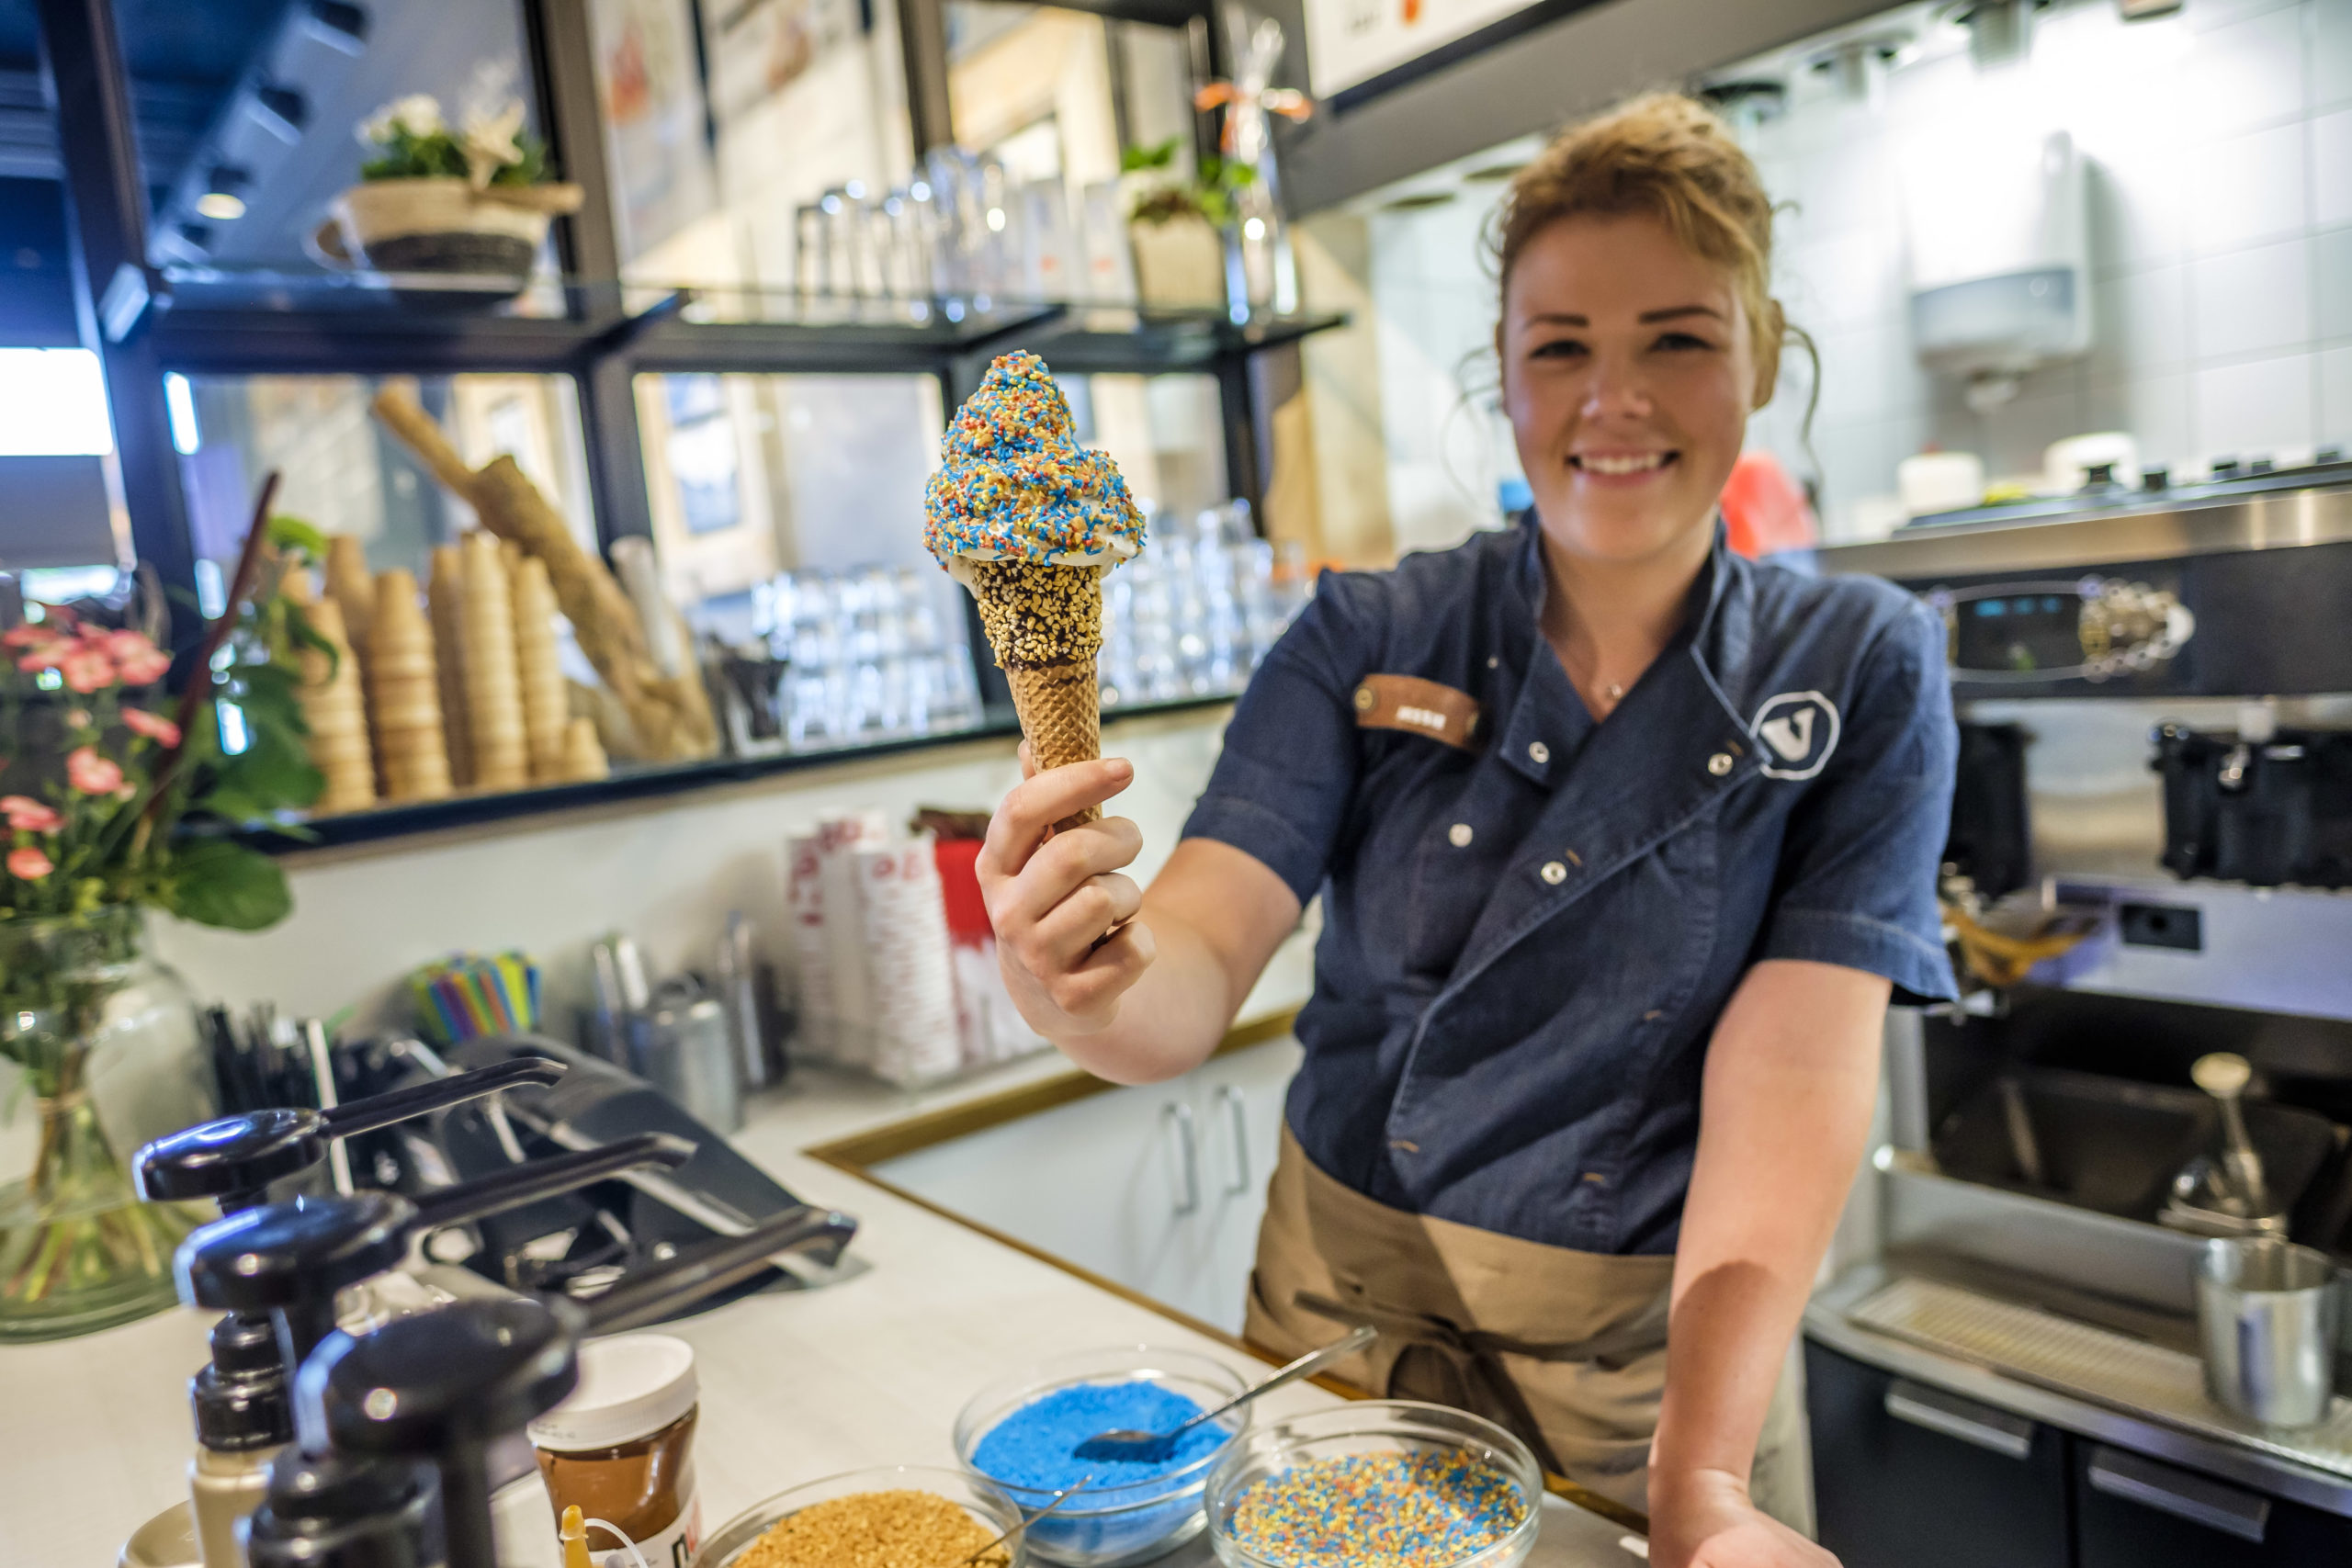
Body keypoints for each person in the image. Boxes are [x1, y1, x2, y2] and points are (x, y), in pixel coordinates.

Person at [976, 92, 1956, 1568]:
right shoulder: (1371, 628)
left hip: (1659, 1397)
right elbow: (1192, 961)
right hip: (1332, 1361)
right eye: (1559, 347)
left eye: (1676, 340)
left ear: (1761, 360)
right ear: (1501, 376)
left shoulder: (1856, 661)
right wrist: (1085, 971)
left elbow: (1797, 1073)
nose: (1611, 402)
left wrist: (1703, 1493)